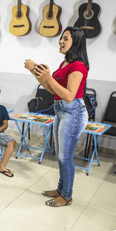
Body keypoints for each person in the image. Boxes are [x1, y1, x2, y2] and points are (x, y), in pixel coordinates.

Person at [24, 26, 89, 207]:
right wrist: (34, 71)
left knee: (65, 157)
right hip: (60, 110)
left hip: (72, 112)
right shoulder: (65, 64)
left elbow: (69, 95)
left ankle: (66, 196)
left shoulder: (78, 66)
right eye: (61, 38)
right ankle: (61, 189)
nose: (61, 41)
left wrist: (48, 77)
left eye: (65, 38)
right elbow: (52, 89)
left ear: (76, 42)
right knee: (61, 155)